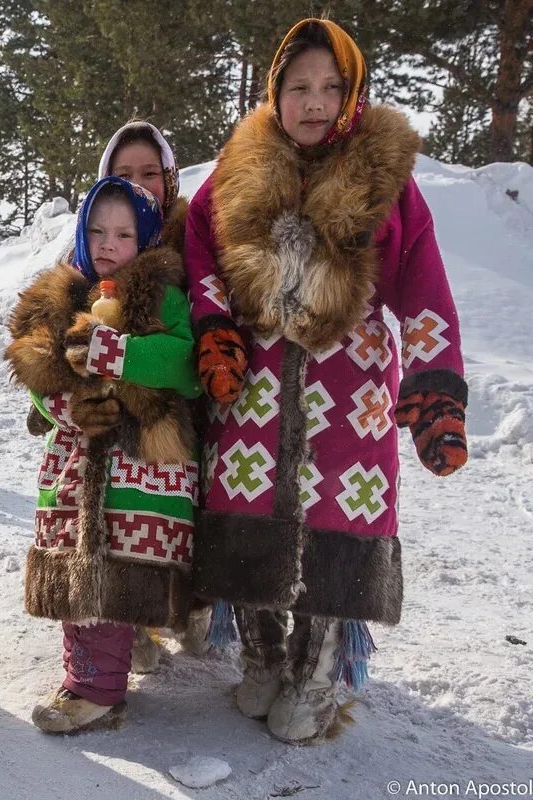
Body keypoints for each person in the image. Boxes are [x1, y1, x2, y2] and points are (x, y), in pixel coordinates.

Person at [185, 18, 468, 744]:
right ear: (273, 93)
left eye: (330, 87)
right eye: (298, 87)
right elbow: (201, 253)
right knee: (244, 512)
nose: (314, 102)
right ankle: (262, 657)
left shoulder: (388, 181)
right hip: (254, 384)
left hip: (353, 391)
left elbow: (425, 285)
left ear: (353, 94)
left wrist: (436, 382)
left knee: (335, 527)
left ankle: (318, 676)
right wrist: (217, 327)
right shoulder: (236, 170)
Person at [7, 176, 201, 734]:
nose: (108, 243)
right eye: (96, 230)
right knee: (78, 570)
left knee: (123, 567)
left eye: (123, 232)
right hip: (75, 462)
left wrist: (117, 354)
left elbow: (184, 365)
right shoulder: (63, 295)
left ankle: (98, 683)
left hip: (140, 462)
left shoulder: (160, 294)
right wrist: (62, 410)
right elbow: (35, 373)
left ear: (145, 238)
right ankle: (91, 682)